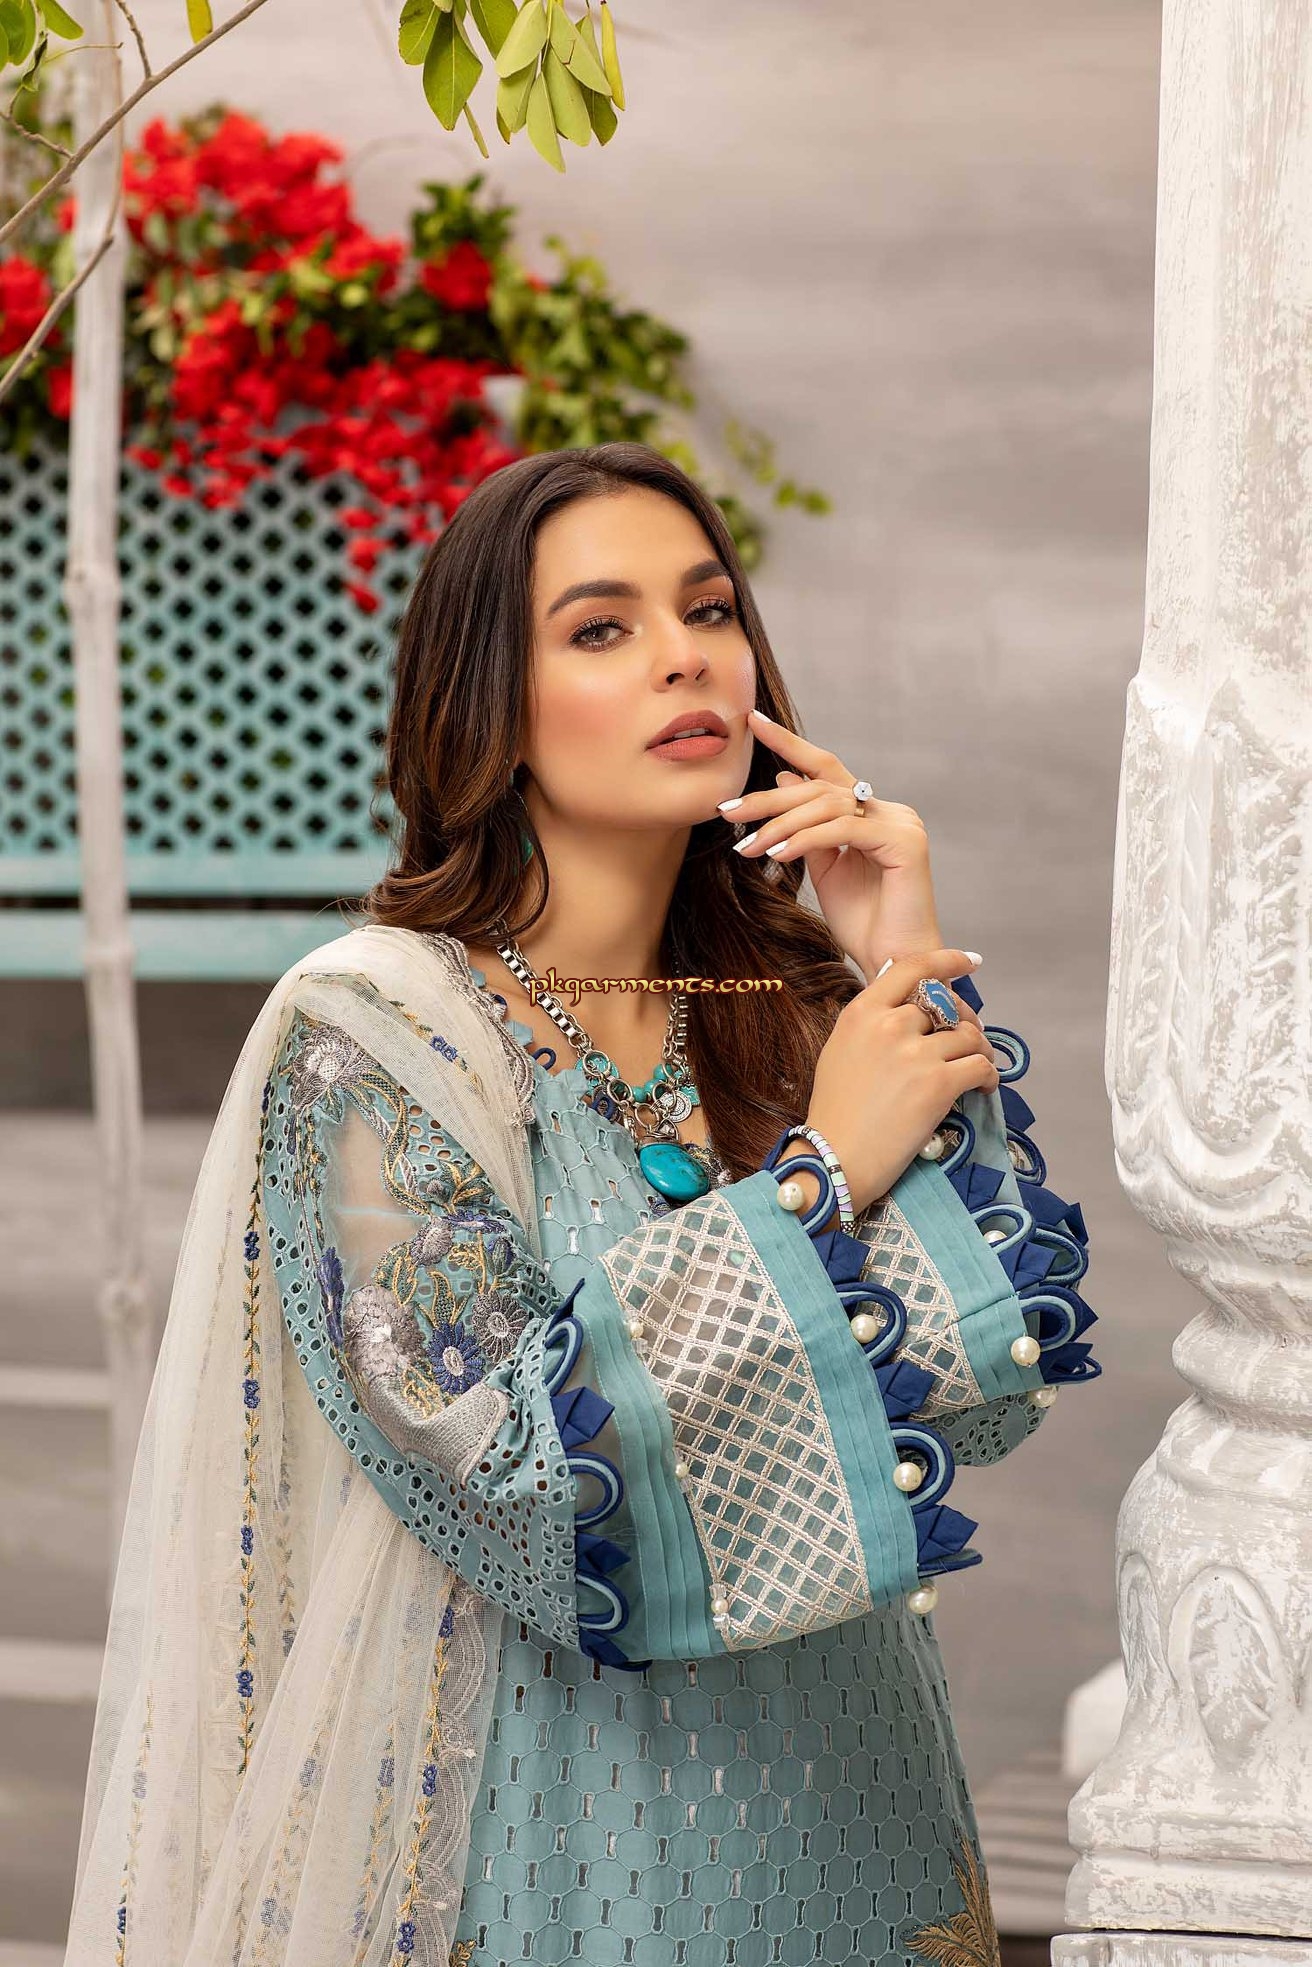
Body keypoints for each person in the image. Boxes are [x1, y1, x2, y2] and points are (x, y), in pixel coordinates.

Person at [64, 442, 1100, 1967]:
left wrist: (896, 962)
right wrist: (817, 1181)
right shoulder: (373, 1035)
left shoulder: (792, 1006)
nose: (685, 656)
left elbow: (983, 1389)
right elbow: (509, 1473)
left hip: (857, 1816)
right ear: (488, 705)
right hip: (546, 1851)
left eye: (709, 610)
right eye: (602, 628)